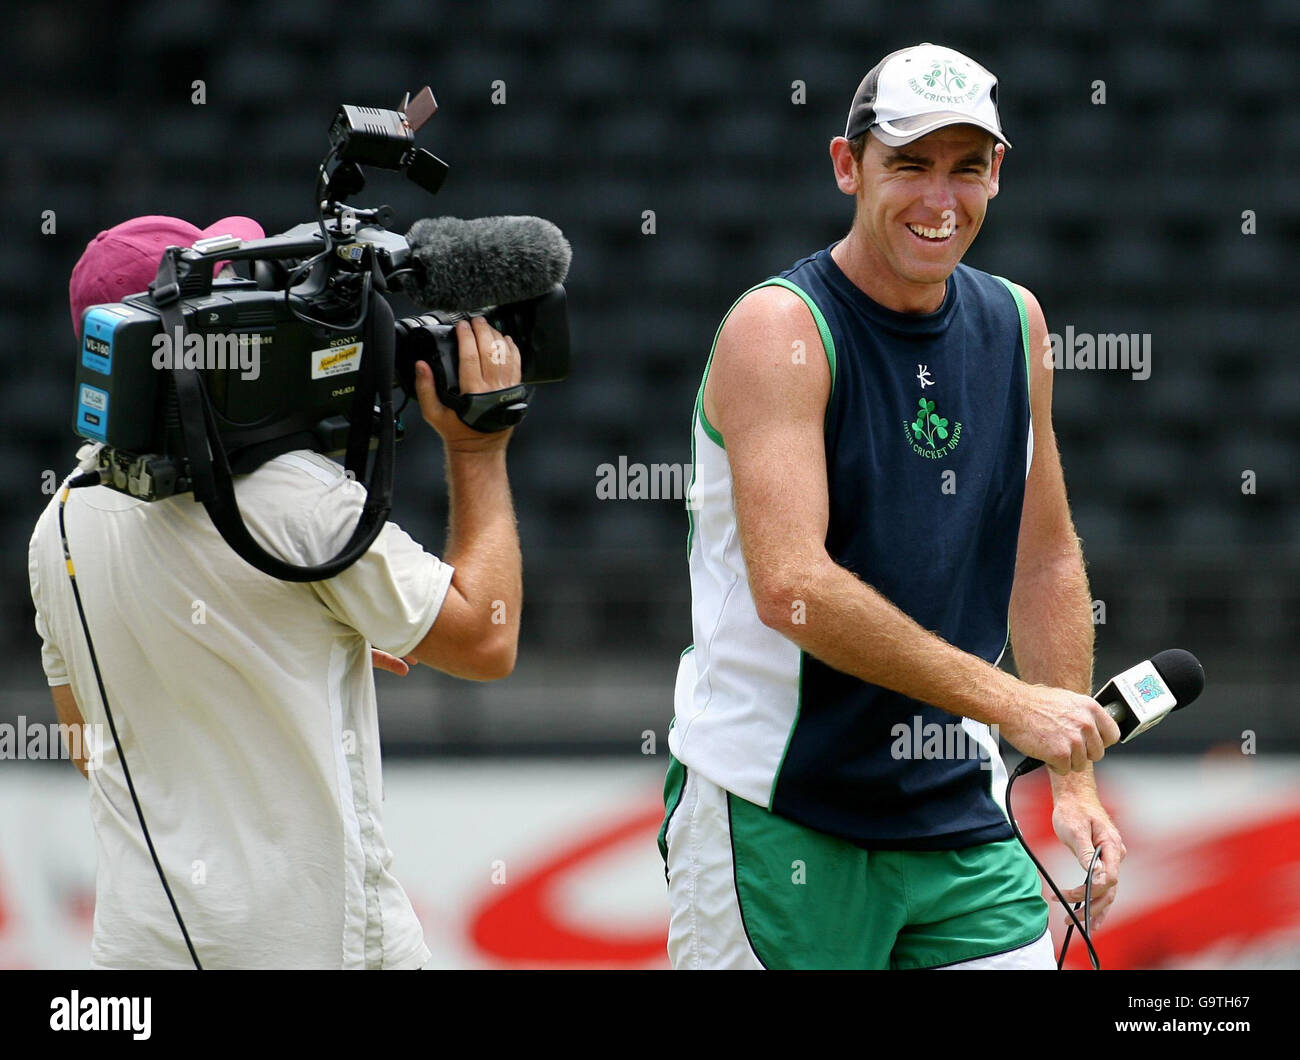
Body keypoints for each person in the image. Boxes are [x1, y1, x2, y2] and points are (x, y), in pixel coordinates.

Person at [660, 43, 1127, 970]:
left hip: (958, 814)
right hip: (778, 811)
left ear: (1000, 173)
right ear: (848, 165)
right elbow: (792, 588)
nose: (938, 198)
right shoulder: (779, 328)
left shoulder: (1016, 322)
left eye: (967, 167)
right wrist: (1010, 701)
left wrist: (1072, 780)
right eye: (908, 164)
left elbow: (1046, 558)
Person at [29, 215, 523, 968]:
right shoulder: (295, 495)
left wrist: (279, 645)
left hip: (141, 955)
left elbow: (90, 744)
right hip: (322, 946)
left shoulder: (59, 520)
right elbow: (486, 640)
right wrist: (476, 448)